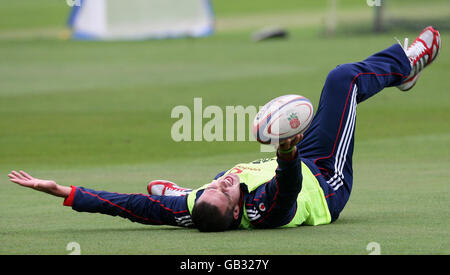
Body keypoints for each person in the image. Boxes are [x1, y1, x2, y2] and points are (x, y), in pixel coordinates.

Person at [8, 26, 441, 232]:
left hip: (293, 157)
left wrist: (62, 191)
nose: (223, 181)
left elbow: (129, 206)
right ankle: (407, 64)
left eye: (212, 186)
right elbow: (288, 189)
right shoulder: (263, 213)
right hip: (324, 177)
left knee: (162, 202)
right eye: (225, 190)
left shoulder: (200, 206)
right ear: (237, 211)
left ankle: (172, 190)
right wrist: (287, 152)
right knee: (341, 80)